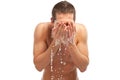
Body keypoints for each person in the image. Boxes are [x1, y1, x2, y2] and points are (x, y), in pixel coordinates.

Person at [33, 1, 89, 80]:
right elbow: (39, 66)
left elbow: (83, 68)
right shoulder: (42, 29)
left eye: (68, 24)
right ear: (52, 21)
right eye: (60, 24)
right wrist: (56, 42)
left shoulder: (80, 30)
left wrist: (71, 43)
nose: (65, 28)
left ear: (74, 22)